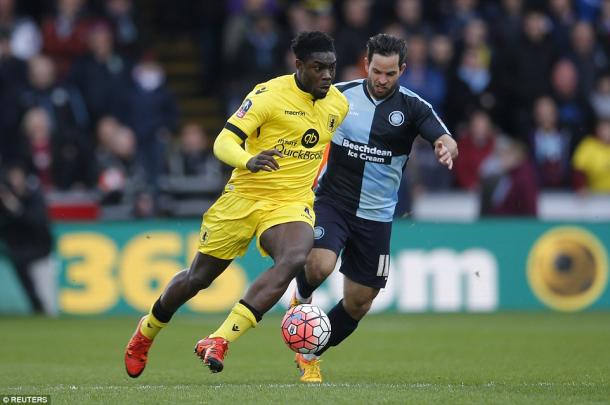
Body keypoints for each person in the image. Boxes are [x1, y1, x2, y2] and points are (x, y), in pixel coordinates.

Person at [124, 31, 349, 378]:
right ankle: (147, 330)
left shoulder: (338, 104)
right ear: (299, 65)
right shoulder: (268, 95)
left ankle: (219, 340)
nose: (327, 76)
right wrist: (248, 160)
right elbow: (223, 141)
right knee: (198, 278)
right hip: (244, 197)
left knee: (294, 257)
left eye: (331, 68)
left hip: (290, 203)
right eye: (318, 68)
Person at [289, 33, 458, 383]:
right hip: (332, 201)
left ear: (403, 70)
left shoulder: (414, 107)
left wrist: (446, 147)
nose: (382, 80)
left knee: (359, 301)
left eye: (390, 74)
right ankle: (300, 300)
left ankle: (310, 352)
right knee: (319, 265)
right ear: (366, 64)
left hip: (377, 215)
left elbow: (443, 135)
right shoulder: (339, 95)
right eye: (377, 71)